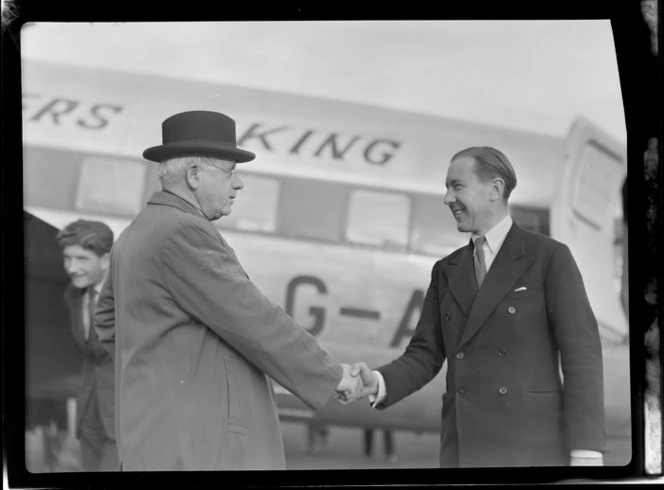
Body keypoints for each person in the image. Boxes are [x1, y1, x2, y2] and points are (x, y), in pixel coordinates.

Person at [94, 110, 360, 471]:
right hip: (199, 448)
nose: (239, 184)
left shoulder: (135, 233)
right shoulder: (183, 231)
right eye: (230, 172)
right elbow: (253, 319)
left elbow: (107, 324)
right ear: (193, 174)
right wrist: (333, 374)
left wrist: (159, 376)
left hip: (152, 442)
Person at [344, 146, 605, 468]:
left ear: (494, 189)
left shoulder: (548, 257)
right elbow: (425, 355)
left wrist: (587, 451)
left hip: (531, 450)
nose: (447, 198)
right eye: (447, 187)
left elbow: (583, 356)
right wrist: (379, 382)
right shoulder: (446, 269)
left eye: (457, 186)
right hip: (463, 450)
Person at [56, 219, 119, 471]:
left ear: (105, 260)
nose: (72, 268)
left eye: (82, 259)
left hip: (123, 412)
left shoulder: (129, 295)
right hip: (89, 410)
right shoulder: (72, 294)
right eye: (67, 258)